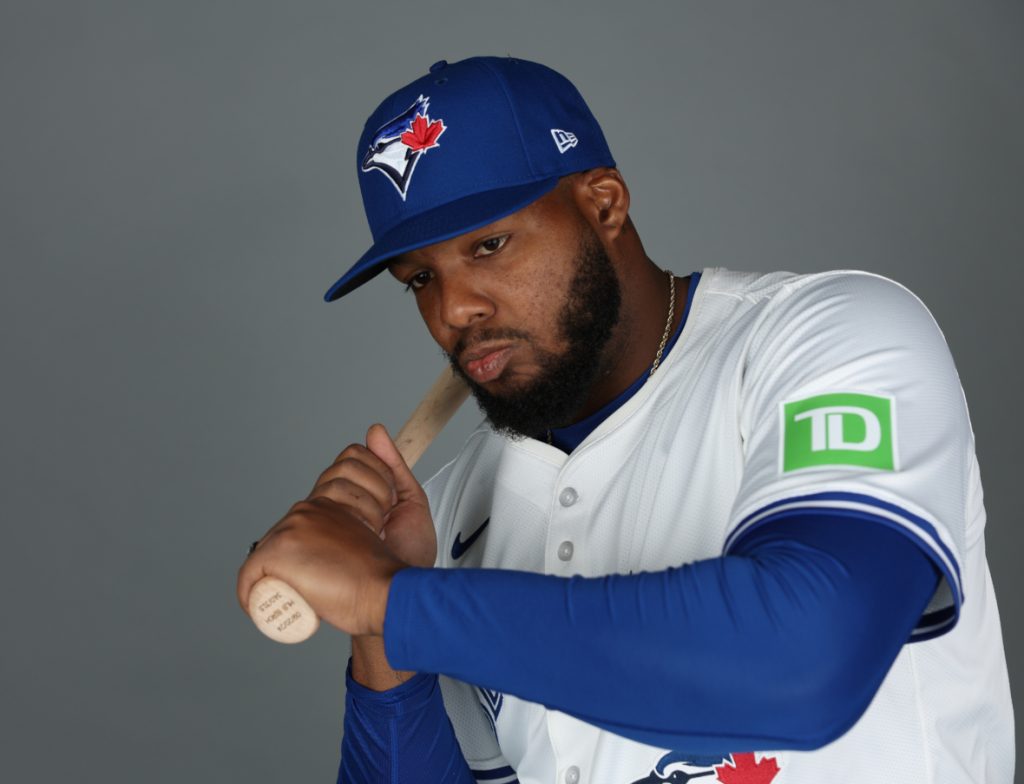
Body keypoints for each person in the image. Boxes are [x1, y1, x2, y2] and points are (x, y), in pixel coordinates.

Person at [237, 56, 1014, 783]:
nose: (454, 309)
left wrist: (388, 600)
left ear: (603, 204)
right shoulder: (438, 519)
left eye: (490, 245)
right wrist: (378, 622)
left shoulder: (829, 338)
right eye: (419, 281)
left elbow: (806, 664)